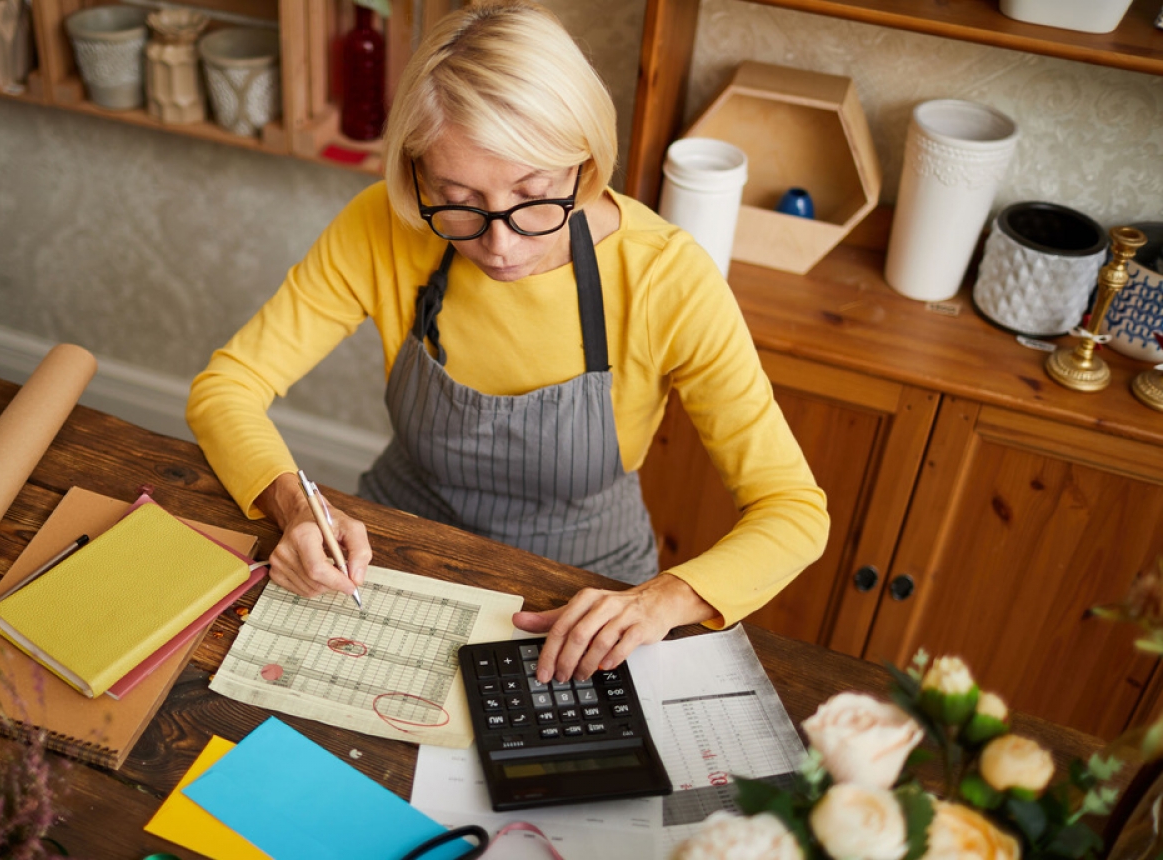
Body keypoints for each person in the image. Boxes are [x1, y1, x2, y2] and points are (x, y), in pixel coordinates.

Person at [186, 0, 829, 684]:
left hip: (586, 592)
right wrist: (294, 506)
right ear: (417, 177)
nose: (498, 245)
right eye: (459, 201)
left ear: (585, 161)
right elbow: (226, 389)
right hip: (399, 556)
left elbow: (792, 511)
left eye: (533, 197)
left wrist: (663, 599)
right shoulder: (381, 226)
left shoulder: (667, 277)